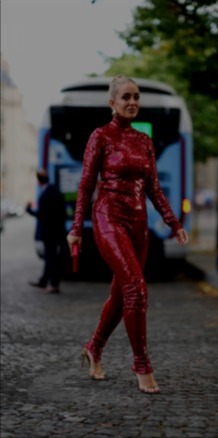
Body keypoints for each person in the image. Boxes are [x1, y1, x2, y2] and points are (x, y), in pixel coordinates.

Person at [66, 75, 188, 394]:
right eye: (126, 97)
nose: (132, 102)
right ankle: (141, 364)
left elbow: (154, 188)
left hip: (138, 223)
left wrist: (173, 223)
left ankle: (94, 347)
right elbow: (86, 184)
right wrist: (77, 228)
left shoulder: (144, 140)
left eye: (136, 97)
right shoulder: (101, 136)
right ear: (112, 103)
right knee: (136, 288)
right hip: (108, 216)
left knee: (122, 295)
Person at [26, 168, 67, 294]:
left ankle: (54, 284)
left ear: (38, 181)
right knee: (50, 257)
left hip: (51, 232)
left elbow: (43, 214)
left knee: (51, 258)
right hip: (55, 231)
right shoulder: (53, 190)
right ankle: (44, 281)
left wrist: (29, 210)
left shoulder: (48, 192)